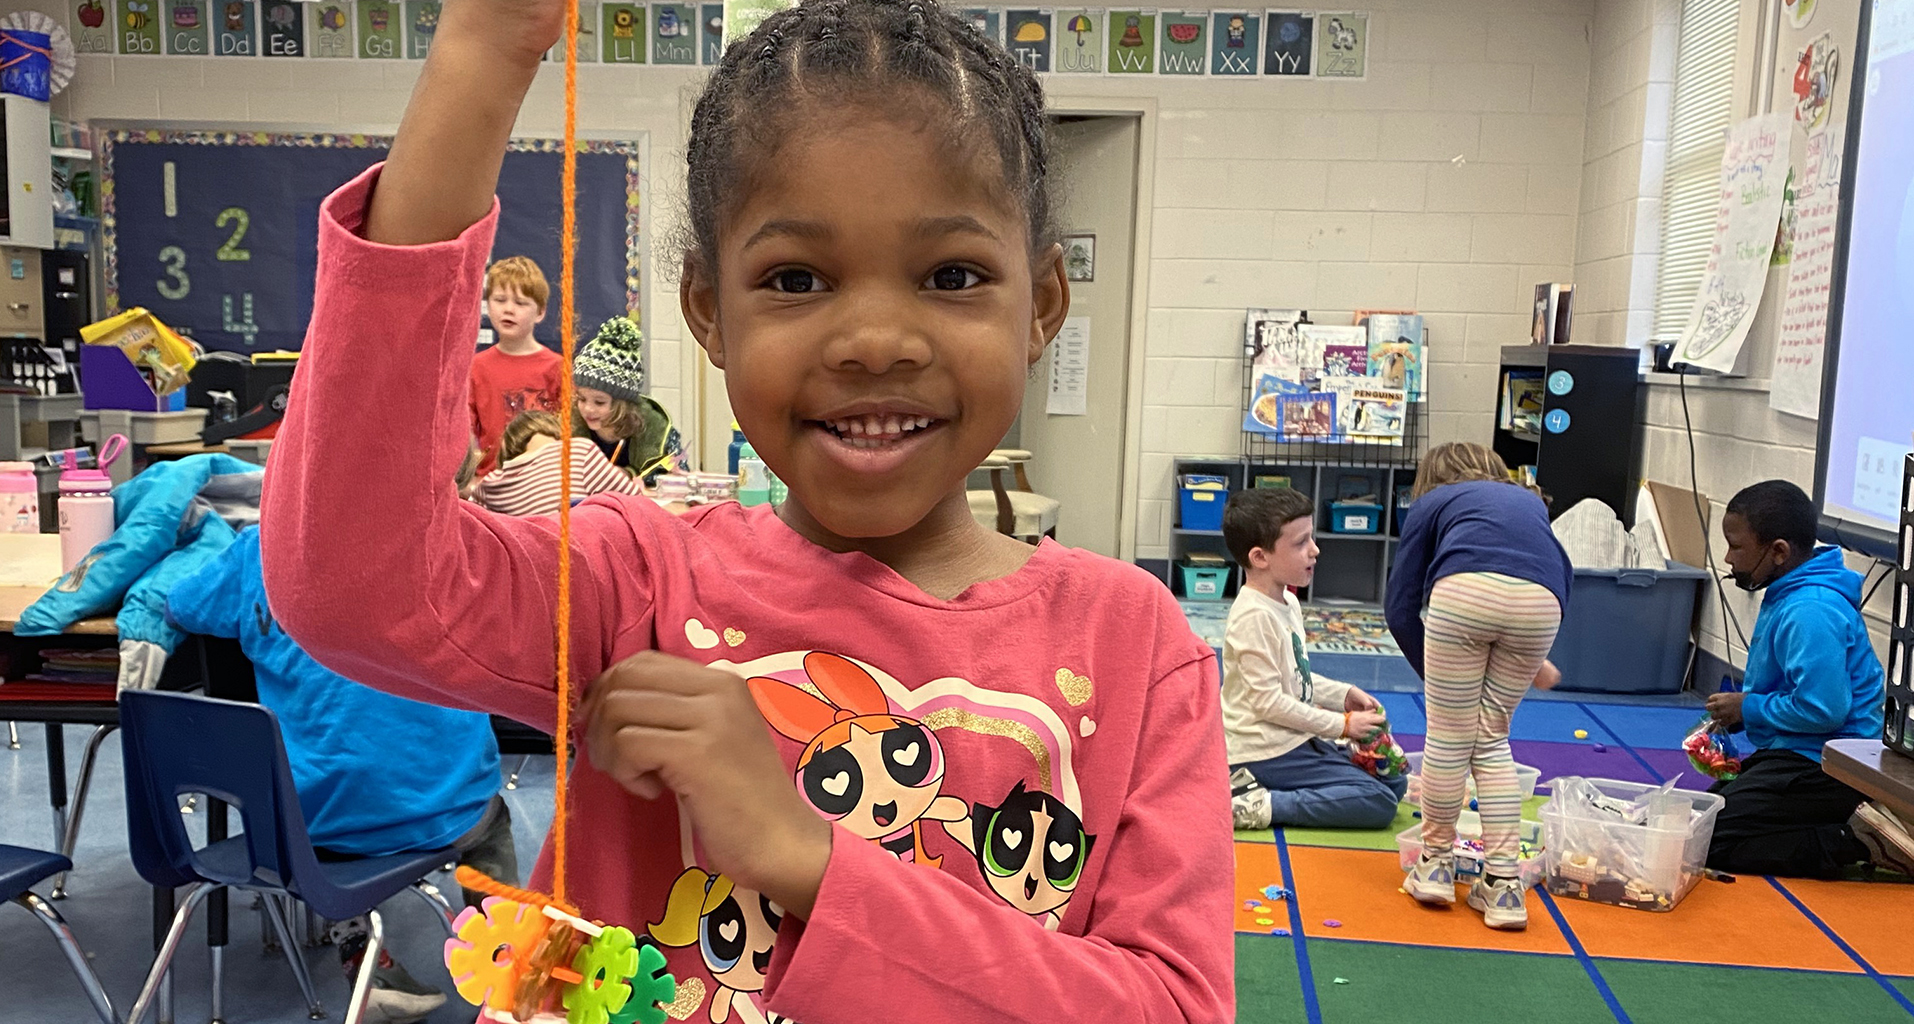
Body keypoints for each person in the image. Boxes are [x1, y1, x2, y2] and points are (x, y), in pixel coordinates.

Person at [258, 2, 1234, 1021]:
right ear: (707, 310)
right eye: (796, 278)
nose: (874, 340)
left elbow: (1174, 1005)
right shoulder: (637, 582)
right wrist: (482, 54)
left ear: (1039, 306)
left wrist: (809, 857)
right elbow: (350, 578)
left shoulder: (1134, 648)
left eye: (952, 275)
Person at [167, 527, 519, 1024]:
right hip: (443, 808)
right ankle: (506, 967)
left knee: (329, 806)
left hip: (308, 820)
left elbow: (179, 605)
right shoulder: (450, 538)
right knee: (490, 825)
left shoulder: (260, 549)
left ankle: (362, 959)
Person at [1385, 442, 1570, 930]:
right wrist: (1535, 655)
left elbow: (1399, 606)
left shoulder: (1432, 503)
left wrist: (1439, 683)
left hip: (1464, 595)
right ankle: (1505, 885)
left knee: (1449, 736)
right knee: (1491, 739)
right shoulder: (1529, 500)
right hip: (1544, 604)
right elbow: (1553, 570)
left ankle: (1436, 865)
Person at [1703, 480, 1913, 878]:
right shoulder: (1790, 592)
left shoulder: (1809, 609)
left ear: (1778, 552)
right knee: (1697, 820)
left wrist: (1748, 706)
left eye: (1737, 547)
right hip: (1799, 751)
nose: (1728, 558)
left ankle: (1857, 842)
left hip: (1832, 765)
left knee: (1706, 840)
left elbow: (1824, 711)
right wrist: (1748, 713)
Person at [1220, 488, 1405, 831]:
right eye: (1301, 542)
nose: (1315, 550)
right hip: (1261, 750)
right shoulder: (1252, 616)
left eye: (1312, 538)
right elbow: (1267, 703)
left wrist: (1342, 694)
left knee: (1394, 782)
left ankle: (1275, 789)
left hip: (1292, 739)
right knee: (1378, 803)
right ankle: (1261, 804)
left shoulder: (1286, 602)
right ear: (1260, 557)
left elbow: (1293, 675)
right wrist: (1342, 726)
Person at [469, 255, 561, 474]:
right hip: (493, 482)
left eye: (520, 303)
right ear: (488, 304)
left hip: (545, 482)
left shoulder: (557, 368)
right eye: (500, 300)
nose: (508, 309)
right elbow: (467, 435)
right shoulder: (476, 368)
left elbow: (572, 434)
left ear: (540, 312)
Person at [571, 315, 689, 485]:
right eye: (581, 399)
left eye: (599, 402)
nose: (588, 409)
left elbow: (680, 475)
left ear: (623, 404)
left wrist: (629, 475)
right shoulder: (569, 426)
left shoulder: (656, 429)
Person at [474, 410, 645, 516]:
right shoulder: (577, 451)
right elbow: (640, 506)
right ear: (556, 432)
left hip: (525, 570)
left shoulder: (489, 484)